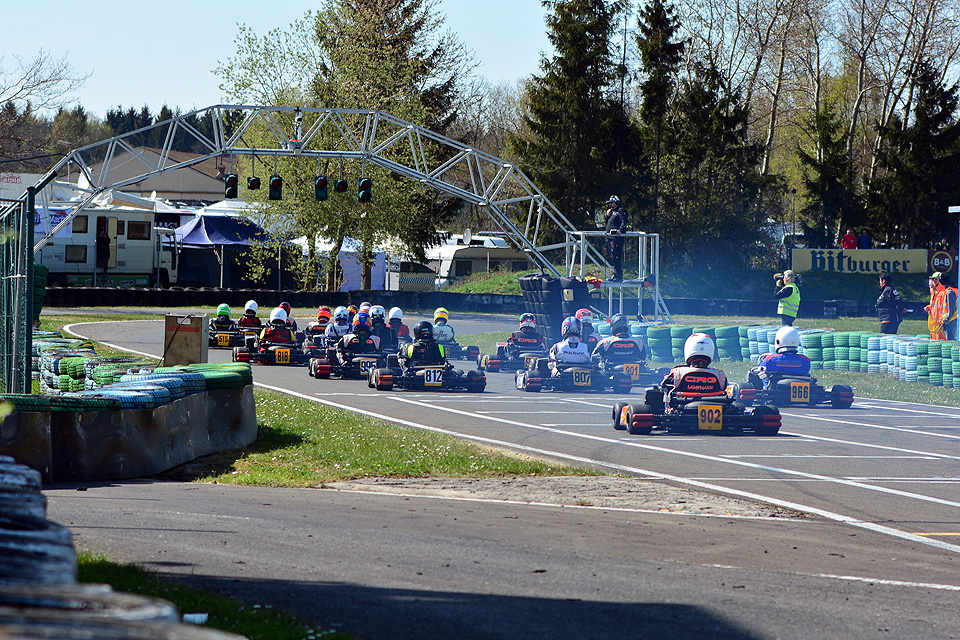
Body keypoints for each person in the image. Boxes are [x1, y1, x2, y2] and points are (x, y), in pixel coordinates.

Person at [660, 333, 727, 396]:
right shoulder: (720, 376)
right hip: (714, 405)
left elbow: (663, 388)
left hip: (682, 407)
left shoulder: (677, 374)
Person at [926, 271, 958, 341]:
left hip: (949, 320)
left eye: (936, 279)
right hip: (945, 320)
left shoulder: (949, 292)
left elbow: (951, 309)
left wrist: (947, 318)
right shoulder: (946, 291)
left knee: (949, 340)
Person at [604, 195, 627, 281]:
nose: (611, 205)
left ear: (616, 202)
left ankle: (619, 276)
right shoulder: (611, 212)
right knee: (612, 257)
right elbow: (607, 222)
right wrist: (607, 215)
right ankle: (615, 275)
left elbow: (624, 221)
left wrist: (620, 230)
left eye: (612, 203)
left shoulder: (621, 210)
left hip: (617, 238)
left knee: (616, 256)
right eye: (610, 203)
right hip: (610, 237)